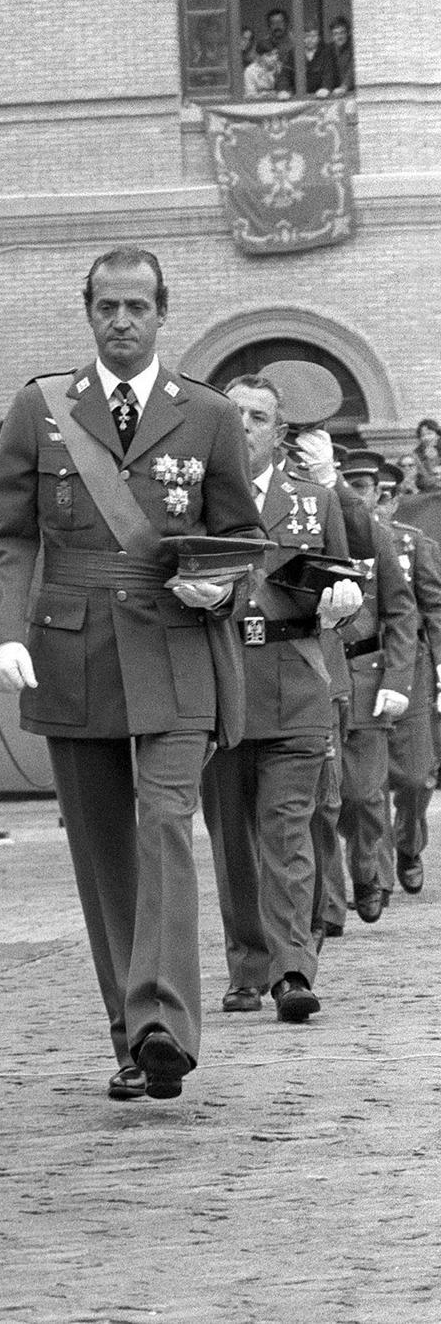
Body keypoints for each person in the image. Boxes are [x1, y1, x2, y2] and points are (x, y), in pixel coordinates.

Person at [0, 244, 263, 1102]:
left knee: (166, 826)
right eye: (107, 306)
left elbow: (240, 537)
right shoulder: (42, 408)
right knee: (104, 852)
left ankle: (165, 1023)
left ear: (163, 314)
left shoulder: (207, 415)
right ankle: (130, 1038)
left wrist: (221, 582)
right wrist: (3, 632)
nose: (122, 321)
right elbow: (4, 533)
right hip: (72, 649)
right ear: (88, 312)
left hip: (176, 645)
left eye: (138, 307)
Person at [200, 376, 358, 1025]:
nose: (243, 424)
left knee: (287, 833)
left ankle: (293, 968)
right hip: (220, 687)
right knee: (232, 839)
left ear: (279, 432)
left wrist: (346, 606)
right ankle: (246, 965)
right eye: (232, 413)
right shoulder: (195, 506)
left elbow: (352, 593)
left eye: (257, 416)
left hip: (296, 686)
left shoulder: (314, 503)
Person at [335, 450, 417, 923]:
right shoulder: (304, 530)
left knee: (365, 792)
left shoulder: (378, 538)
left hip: (366, 671)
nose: (357, 496)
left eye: (363, 488)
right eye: (350, 485)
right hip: (315, 674)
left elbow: (401, 611)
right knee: (328, 799)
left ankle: (369, 872)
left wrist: (398, 677)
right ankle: (327, 900)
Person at [373, 461, 441, 896]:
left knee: (416, 778)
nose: (374, 503)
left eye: (383, 495)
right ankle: (372, 874)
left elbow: (433, 607)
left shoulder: (413, 544)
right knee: (365, 784)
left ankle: (409, 846)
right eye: (363, 490)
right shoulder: (337, 538)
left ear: (396, 499)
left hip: (411, 671)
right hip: (360, 668)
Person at [265, 7, 296, 94]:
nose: (277, 26)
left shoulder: (297, 43)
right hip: (270, 91)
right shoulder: (264, 45)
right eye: (273, 23)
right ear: (269, 26)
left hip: (294, 91)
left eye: (280, 22)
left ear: (286, 23)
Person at [413, 418, 441, 492]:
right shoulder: (417, 454)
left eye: (429, 433)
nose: (426, 438)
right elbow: (421, 479)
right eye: (423, 435)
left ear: (438, 435)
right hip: (429, 491)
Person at [328, 16, 354, 93]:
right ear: (332, 36)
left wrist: (344, 86)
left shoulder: (353, 47)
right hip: (334, 93)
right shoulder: (329, 49)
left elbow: (352, 68)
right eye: (335, 33)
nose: (339, 37)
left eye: (342, 33)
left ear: (348, 33)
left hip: (352, 92)